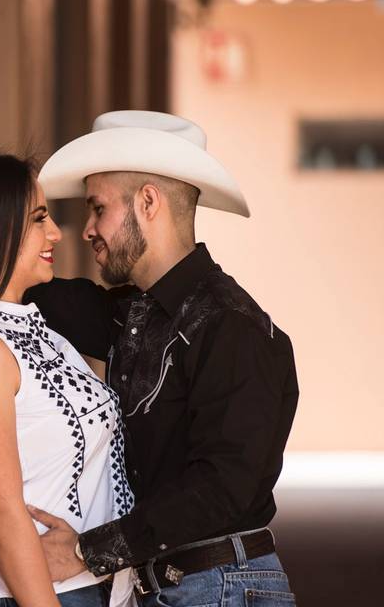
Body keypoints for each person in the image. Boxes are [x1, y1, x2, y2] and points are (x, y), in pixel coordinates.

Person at [24, 111, 300, 606]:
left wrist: (88, 553)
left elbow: (224, 485)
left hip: (223, 589)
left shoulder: (233, 325)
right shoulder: (132, 314)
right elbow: (23, 291)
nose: (86, 230)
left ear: (147, 202)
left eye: (98, 209)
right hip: (180, 587)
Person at [0, 154, 136, 607]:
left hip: (82, 589)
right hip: (23, 596)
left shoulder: (43, 333)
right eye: (39, 218)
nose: (56, 232)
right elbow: (2, 510)